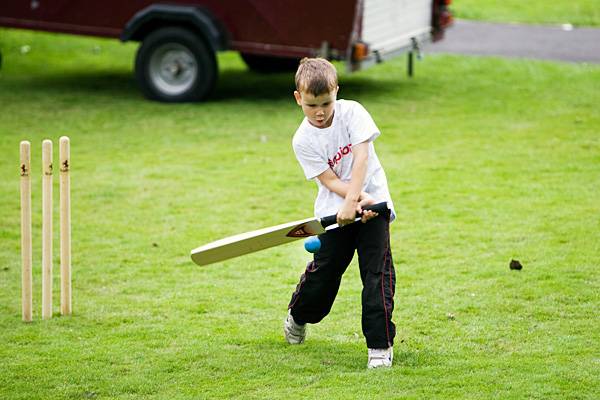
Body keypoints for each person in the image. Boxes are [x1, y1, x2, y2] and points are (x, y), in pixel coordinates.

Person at [284, 57, 396, 369]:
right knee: (325, 275)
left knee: (377, 273)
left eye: (326, 103)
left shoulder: (353, 112)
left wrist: (363, 201)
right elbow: (330, 180)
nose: (319, 112)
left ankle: (380, 346)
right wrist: (353, 200)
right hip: (335, 211)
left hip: (375, 204)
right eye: (311, 105)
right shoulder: (303, 140)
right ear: (298, 99)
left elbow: (362, 156)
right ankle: (298, 315)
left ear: (336, 91)